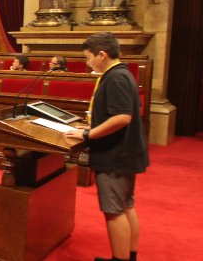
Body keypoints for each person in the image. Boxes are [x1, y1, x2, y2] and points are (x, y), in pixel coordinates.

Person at [64, 33, 149, 261]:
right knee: (126, 206)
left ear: (102, 55)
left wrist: (88, 133)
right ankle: (129, 256)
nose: (87, 62)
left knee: (114, 211)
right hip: (125, 152)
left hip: (115, 154)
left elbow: (122, 117)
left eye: (88, 57)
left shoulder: (116, 78)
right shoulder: (121, 73)